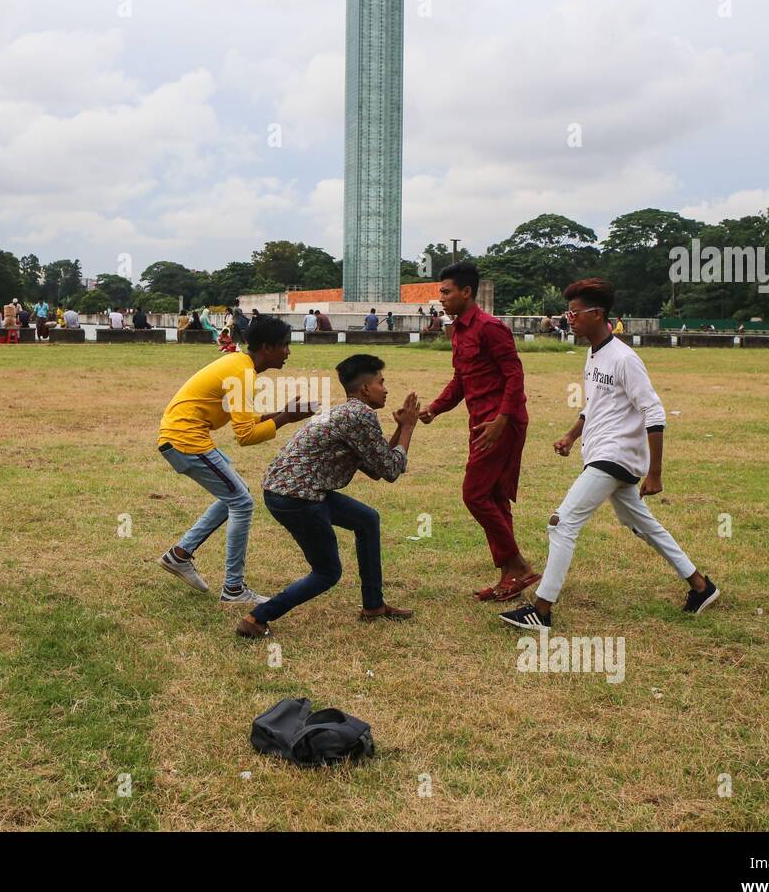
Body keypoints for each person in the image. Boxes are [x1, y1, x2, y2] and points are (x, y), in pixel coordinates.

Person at [499, 277, 719, 629]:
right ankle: (700, 585)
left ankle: (540, 611)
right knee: (643, 525)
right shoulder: (594, 353)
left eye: (575, 313)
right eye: (567, 313)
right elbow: (596, 405)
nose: (569, 319)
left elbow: (654, 412)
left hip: (616, 457)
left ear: (598, 314)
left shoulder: (624, 359)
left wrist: (656, 472)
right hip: (601, 452)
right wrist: (572, 435)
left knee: (561, 523)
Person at [236, 355, 418, 638]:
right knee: (327, 572)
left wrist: (399, 429)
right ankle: (256, 618)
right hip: (298, 497)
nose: (386, 389)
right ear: (366, 389)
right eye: (381, 382)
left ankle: (374, 605)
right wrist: (407, 427)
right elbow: (392, 469)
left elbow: (376, 467)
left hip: (290, 491)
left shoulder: (347, 413)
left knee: (367, 519)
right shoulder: (360, 416)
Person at [156, 315, 313, 605]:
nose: (288, 352)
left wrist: (285, 413)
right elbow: (246, 435)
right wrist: (286, 418)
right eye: (285, 346)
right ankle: (233, 589)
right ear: (267, 347)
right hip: (186, 440)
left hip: (182, 437)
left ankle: (179, 555)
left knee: (236, 496)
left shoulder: (239, 366)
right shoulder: (243, 373)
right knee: (241, 501)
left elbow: (249, 420)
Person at [419, 261, 539, 602]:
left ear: (466, 292)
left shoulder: (491, 328)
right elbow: (461, 381)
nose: (440, 297)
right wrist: (434, 408)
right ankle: (509, 577)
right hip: (482, 422)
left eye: (446, 291)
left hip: (502, 423)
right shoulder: (458, 330)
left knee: (474, 494)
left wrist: (503, 420)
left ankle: (516, 565)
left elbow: (515, 375)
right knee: (495, 497)